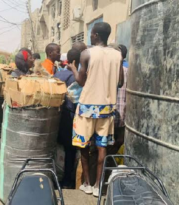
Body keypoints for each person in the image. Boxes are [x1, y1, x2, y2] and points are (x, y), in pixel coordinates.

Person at [67, 22, 124, 197]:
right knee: (102, 147)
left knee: (83, 146)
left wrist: (73, 70)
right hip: (106, 108)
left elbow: (82, 82)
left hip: (86, 108)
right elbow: (120, 82)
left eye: (91, 34)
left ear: (96, 35)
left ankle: (87, 183)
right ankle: (99, 185)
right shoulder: (118, 55)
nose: (90, 36)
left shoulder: (87, 53)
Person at [54, 48, 81, 188]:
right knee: (70, 149)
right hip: (69, 117)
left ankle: (55, 176)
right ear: (77, 61)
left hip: (56, 115)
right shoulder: (74, 77)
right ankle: (67, 181)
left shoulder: (58, 73)